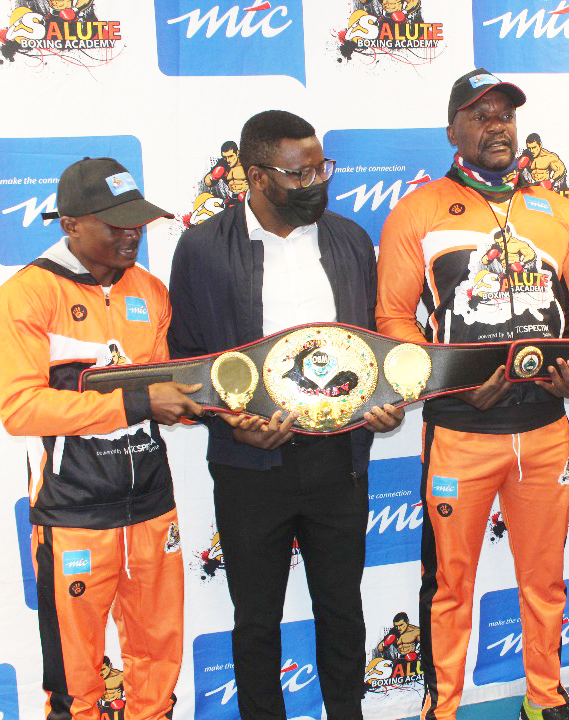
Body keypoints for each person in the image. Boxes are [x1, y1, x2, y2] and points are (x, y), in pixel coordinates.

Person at [375, 68, 569, 720]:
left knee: (545, 577)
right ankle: (441, 707)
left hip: (544, 428)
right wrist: (450, 381)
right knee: (450, 584)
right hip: (460, 431)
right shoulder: (418, 211)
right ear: (453, 131)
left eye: (505, 114)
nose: (497, 126)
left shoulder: (557, 210)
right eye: (480, 116)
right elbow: (393, 318)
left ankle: (544, 695)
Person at [167, 110, 403, 720]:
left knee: (342, 609)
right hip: (250, 467)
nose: (315, 183)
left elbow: (370, 348)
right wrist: (227, 420)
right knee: (256, 619)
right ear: (256, 176)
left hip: (339, 460)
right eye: (299, 175)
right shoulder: (202, 248)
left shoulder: (350, 239)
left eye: (321, 169)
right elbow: (187, 360)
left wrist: (384, 406)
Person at [0, 157, 200, 720]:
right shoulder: (28, 293)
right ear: (70, 224)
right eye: (116, 224)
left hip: (152, 507)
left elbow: (167, 392)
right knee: (75, 686)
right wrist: (138, 402)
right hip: (74, 513)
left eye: (137, 222)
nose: (132, 233)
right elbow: (21, 408)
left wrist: (214, 410)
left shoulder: (150, 291)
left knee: (157, 671)